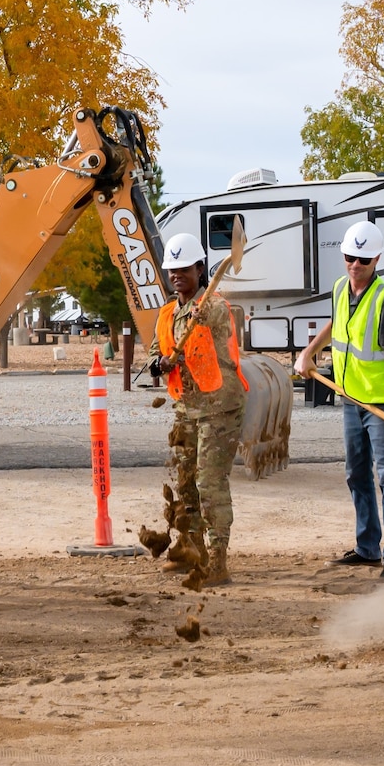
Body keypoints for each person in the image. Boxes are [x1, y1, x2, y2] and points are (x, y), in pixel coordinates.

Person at [294, 220, 384, 578]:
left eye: (362, 259)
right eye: (349, 257)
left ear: (376, 259)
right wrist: (308, 352)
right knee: (356, 475)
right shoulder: (340, 288)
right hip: (350, 399)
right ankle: (366, 548)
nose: (355, 265)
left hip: (381, 406)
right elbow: (335, 323)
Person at [147, 232, 248, 585]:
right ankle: (193, 552)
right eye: (172, 270)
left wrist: (203, 315)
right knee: (186, 483)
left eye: (184, 269)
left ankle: (218, 562)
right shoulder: (166, 315)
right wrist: (159, 363)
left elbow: (221, 322)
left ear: (200, 269)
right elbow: (153, 354)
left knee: (209, 483)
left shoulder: (214, 306)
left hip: (219, 408)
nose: (177, 275)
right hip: (185, 409)